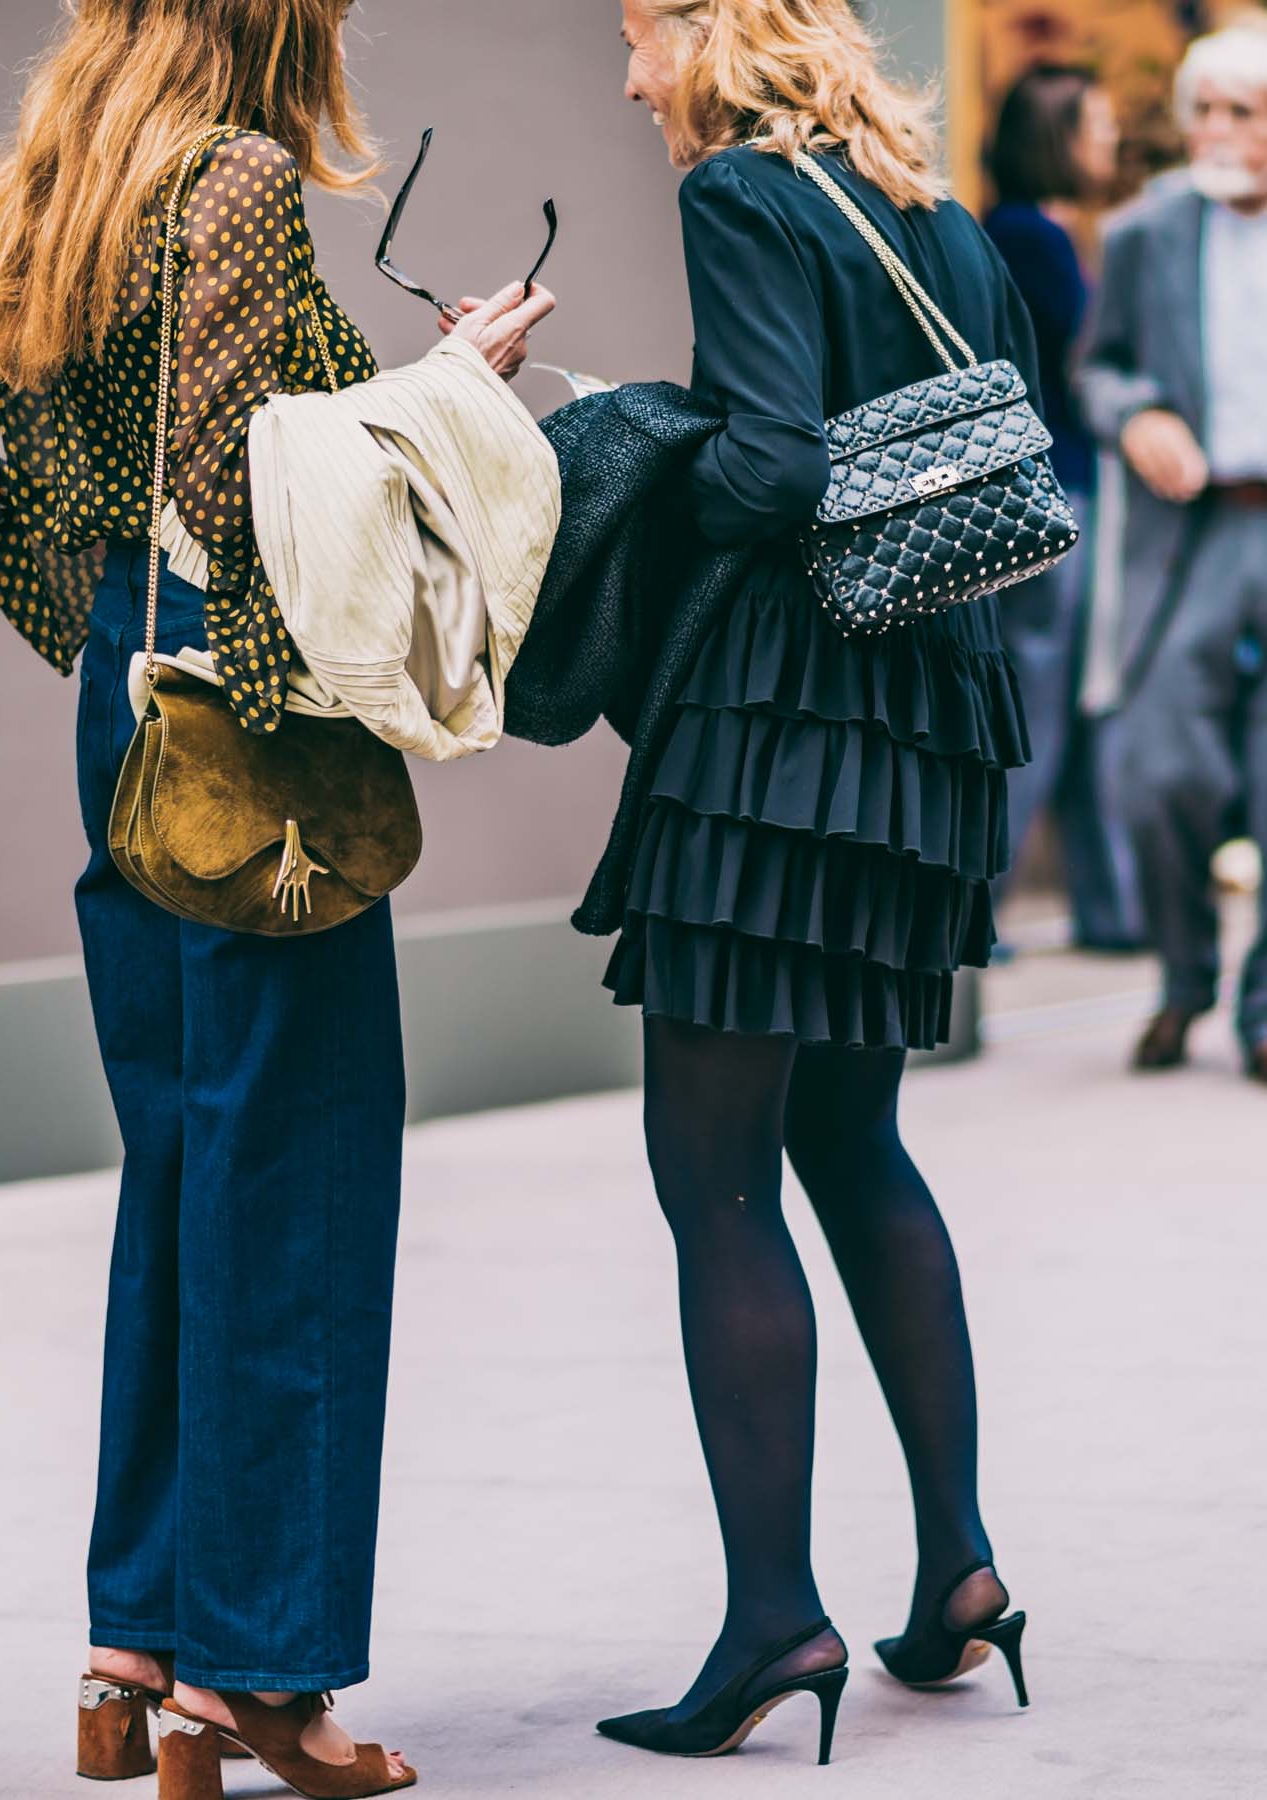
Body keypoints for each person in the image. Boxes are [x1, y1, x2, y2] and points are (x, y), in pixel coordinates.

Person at [0, 3, 551, 1793]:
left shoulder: (59, 177)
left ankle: (130, 1647)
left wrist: (79, 582)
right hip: (249, 721)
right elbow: (246, 480)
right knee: (287, 1165)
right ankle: (260, 1675)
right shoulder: (228, 176)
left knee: (184, 1154)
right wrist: (458, 392)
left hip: (128, 701)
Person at [583, 0, 1039, 1764]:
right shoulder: (935, 208)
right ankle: (959, 1575)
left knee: (712, 1182)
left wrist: (630, 440)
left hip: (781, 729)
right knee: (853, 1143)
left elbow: (772, 462)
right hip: (927, 726)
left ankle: (772, 1619)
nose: (628, 77)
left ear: (716, 29)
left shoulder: (742, 197)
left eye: (637, 33)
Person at [1077, 23, 1267, 1086]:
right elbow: (1095, 369)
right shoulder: (1145, 233)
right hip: (1188, 533)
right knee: (1154, 773)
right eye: (1204, 108)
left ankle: (1262, 1012)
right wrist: (1137, 413)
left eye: (1241, 111)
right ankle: (1182, 978)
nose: (1215, 131)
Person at [983, 66, 1146, 952]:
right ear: (1058, 137)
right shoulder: (1028, 237)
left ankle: (1111, 908)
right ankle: (987, 907)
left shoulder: (1036, 231)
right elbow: (1091, 359)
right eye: (1097, 126)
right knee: (1042, 698)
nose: (1110, 143)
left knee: (1073, 697)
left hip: (1066, 489)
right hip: (1051, 496)